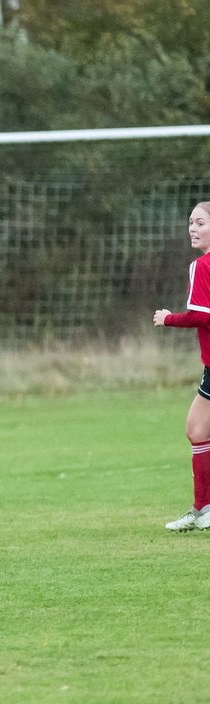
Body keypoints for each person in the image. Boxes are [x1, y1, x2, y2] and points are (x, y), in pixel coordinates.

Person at [153, 201, 210, 531]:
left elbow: (202, 316)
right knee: (198, 429)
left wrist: (168, 318)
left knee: (198, 429)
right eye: (190, 221)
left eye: (200, 222)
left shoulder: (201, 266)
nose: (192, 228)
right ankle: (202, 508)